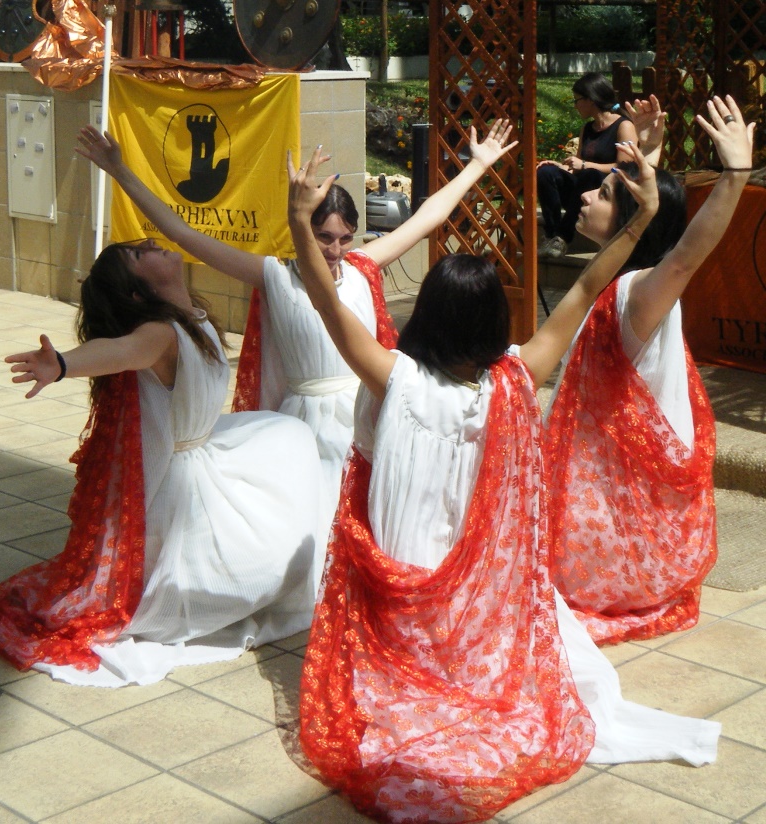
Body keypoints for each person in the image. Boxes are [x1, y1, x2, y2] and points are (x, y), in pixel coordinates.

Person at [288, 127, 719, 823]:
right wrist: (640, 220)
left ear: (424, 313)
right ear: (495, 321)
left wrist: (297, 224)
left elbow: (323, 297)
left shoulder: (391, 377)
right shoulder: (518, 379)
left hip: (403, 576)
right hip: (482, 593)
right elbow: (586, 282)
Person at [76, 123, 515, 568]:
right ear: (304, 230)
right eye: (324, 237)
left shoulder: (364, 267)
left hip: (368, 411)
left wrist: (477, 165)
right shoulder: (276, 276)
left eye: (345, 238)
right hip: (306, 425)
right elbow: (183, 232)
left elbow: (428, 218)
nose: (336, 251)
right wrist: (119, 171)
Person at [0, 238, 323, 687]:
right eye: (137, 255)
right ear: (137, 293)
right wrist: (63, 364)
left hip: (207, 446)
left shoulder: (191, 317)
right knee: (244, 559)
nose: (150, 242)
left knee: (289, 439)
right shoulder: (159, 334)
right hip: (186, 478)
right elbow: (120, 351)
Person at [545, 95, 754, 646]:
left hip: (627, 537)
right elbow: (656, 225)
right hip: (609, 508)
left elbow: (683, 255)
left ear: (632, 216)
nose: (586, 195)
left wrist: (734, 175)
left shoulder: (639, 293)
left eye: (605, 193)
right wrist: (645, 147)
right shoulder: (616, 281)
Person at [537, 71, 638, 259]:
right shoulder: (588, 128)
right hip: (582, 191)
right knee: (546, 173)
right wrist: (560, 166)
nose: (575, 105)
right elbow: (578, 166)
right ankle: (551, 235)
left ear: (591, 99)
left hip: (609, 194)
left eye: (577, 100)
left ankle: (562, 237)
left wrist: (585, 164)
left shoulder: (623, 126)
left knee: (590, 174)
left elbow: (625, 167)